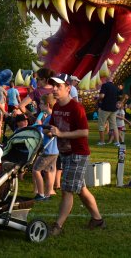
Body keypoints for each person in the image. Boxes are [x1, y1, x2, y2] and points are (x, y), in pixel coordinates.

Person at [46, 74, 104, 236]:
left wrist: (61, 134)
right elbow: (53, 126)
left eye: (59, 87)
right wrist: (49, 131)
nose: (55, 90)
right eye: (54, 87)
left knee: (67, 189)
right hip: (65, 153)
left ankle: (58, 226)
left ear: (68, 88)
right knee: (81, 189)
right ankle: (97, 219)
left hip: (78, 154)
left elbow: (84, 132)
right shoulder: (57, 107)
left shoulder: (76, 107)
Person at [33, 94, 58, 201]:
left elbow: (50, 132)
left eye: (41, 104)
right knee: (48, 172)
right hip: (54, 150)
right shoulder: (50, 116)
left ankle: (41, 194)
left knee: (36, 170)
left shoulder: (51, 117)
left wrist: (40, 126)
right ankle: (47, 195)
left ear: (47, 105)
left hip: (48, 150)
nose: (39, 105)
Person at [97, 73, 119, 146]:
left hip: (105, 108)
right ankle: (117, 142)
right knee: (114, 126)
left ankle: (102, 141)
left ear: (106, 79)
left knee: (101, 125)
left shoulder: (105, 85)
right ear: (112, 79)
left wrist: (98, 98)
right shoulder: (115, 87)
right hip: (113, 109)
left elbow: (102, 96)